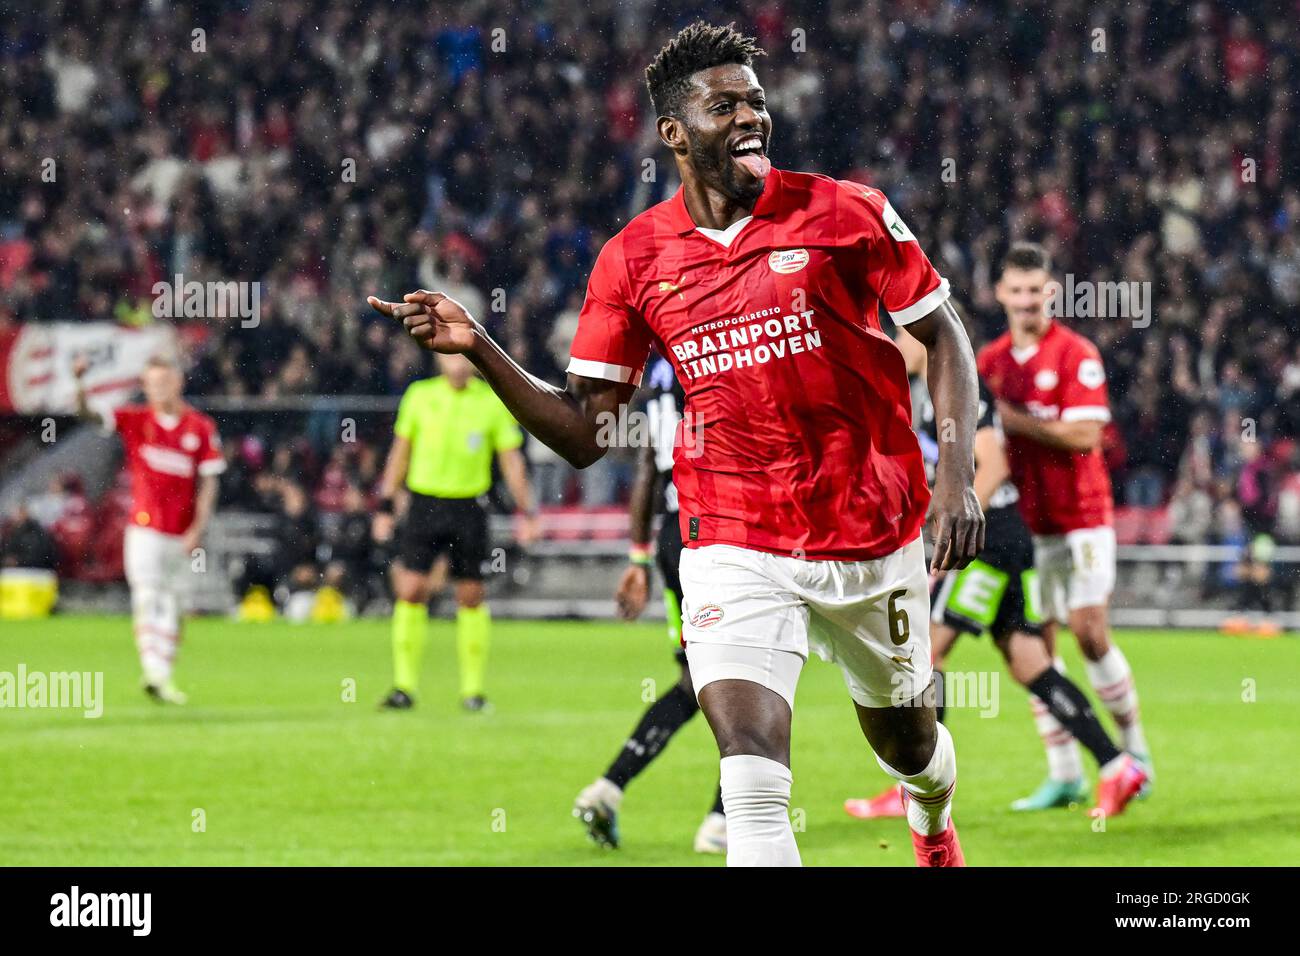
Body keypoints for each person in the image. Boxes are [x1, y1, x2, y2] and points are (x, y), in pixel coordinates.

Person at [370, 22, 985, 866]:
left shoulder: (846, 211)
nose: (751, 118)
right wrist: (480, 347)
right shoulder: (633, 260)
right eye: (725, 104)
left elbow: (943, 336)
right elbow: (586, 431)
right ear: (674, 133)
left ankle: (931, 820)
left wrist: (957, 477)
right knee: (752, 779)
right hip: (731, 536)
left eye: (757, 102)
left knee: (910, 746)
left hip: (869, 526)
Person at [846, 329, 1146, 820]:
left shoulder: (958, 389)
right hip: (1007, 540)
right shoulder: (927, 394)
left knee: (926, 650)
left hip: (985, 544)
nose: (895, 343)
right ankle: (1117, 766)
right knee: (1030, 663)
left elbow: (993, 465)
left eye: (901, 333)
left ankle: (916, 788)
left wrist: (951, 531)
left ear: (924, 337)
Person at [978, 242, 1154, 807]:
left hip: (1082, 517)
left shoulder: (1076, 353)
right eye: (1018, 291)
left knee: (1089, 630)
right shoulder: (989, 363)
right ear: (1001, 293)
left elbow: (1085, 436)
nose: (1027, 301)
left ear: (1051, 292)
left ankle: (1133, 751)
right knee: (1037, 647)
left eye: (1037, 291)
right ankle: (1064, 772)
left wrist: (1010, 418)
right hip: (1028, 526)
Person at [572, 353, 726, 854]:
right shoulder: (715, 344)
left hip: (672, 535)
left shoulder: (661, 372)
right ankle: (725, 820)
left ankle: (609, 788)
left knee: (693, 683)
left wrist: (638, 557)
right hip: (725, 531)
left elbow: (647, 469)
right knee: (762, 676)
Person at [372, 353, 540, 712]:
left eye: (464, 358)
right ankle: (403, 687)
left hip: (469, 507)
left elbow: (511, 459)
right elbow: (401, 452)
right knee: (411, 589)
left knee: (471, 595)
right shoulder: (419, 395)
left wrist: (526, 509)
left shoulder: (491, 401)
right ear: (438, 359)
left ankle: (473, 692)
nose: (458, 364)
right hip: (424, 503)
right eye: (451, 357)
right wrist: (386, 504)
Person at [73, 354, 224, 704]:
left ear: (178, 382)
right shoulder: (135, 420)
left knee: (175, 603)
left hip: (182, 532)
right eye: (151, 383)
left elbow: (209, 484)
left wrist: (198, 529)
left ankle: (163, 676)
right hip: (143, 528)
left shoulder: (200, 428)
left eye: (163, 381)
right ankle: (153, 669)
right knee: (147, 593)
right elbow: (88, 414)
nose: (157, 388)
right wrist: (79, 384)